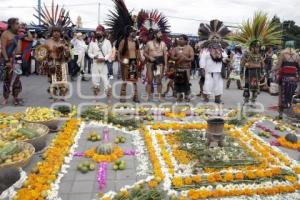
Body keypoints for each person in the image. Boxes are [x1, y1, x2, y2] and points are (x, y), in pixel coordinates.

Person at [198, 20, 231, 103]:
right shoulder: (206, 49)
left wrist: (227, 60)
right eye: (213, 38)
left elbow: (224, 58)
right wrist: (202, 68)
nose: (215, 39)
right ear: (209, 39)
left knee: (219, 86)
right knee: (207, 85)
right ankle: (206, 98)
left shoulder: (221, 49)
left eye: (217, 38)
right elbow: (202, 59)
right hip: (208, 71)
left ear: (220, 39)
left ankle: (217, 99)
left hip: (218, 71)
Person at [272, 41, 300, 119]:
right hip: (293, 79)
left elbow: (278, 66)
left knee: (281, 96)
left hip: (284, 78)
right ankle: (289, 111)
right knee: (290, 96)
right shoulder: (297, 55)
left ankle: (281, 114)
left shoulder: (283, 54)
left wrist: (273, 69)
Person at [1, 18, 23, 106]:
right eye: (17, 23)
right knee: (7, 78)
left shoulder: (18, 34)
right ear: (12, 25)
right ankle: (6, 97)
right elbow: (3, 48)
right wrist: (7, 61)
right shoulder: (5, 34)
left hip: (18, 58)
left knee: (17, 78)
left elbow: (29, 38)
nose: (18, 25)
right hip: (8, 59)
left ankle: (15, 96)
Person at [45, 26, 71, 101]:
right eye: (54, 31)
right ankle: (54, 96)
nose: (56, 33)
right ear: (52, 33)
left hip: (62, 63)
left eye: (58, 32)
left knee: (63, 80)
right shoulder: (48, 42)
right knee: (53, 81)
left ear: (60, 33)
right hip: (52, 63)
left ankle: (62, 95)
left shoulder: (63, 41)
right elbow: (43, 53)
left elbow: (68, 54)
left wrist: (65, 50)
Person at [88, 25, 112, 101]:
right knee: (95, 81)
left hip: (104, 64)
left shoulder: (107, 42)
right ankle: (96, 98)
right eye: (97, 31)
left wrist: (104, 59)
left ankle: (108, 98)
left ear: (103, 32)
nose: (98, 33)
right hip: (95, 64)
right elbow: (89, 52)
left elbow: (110, 52)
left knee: (106, 81)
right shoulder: (92, 42)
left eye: (100, 31)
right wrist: (93, 57)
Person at [143, 30, 168, 101]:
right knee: (149, 80)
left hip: (160, 63)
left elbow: (165, 55)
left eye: (161, 33)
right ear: (155, 35)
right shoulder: (149, 43)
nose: (161, 35)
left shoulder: (163, 43)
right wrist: (149, 57)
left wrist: (165, 65)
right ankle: (148, 96)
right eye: (159, 34)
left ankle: (160, 97)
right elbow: (144, 53)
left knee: (159, 81)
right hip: (150, 63)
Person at [171, 34, 194, 101]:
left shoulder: (189, 48)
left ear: (186, 41)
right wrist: (177, 57)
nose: (180, 40)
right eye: (179, 39)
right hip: (178, 68)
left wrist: (185, 58)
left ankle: (187, 96)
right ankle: (179, 96)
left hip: (186, 68)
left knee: (186, 82)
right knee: (178, 82)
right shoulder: (175, 48)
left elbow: (192, 58)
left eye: (181, 39)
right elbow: (172, 57)